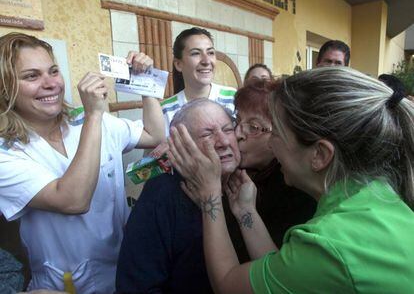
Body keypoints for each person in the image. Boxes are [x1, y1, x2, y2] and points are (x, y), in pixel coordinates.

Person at [168, 66, 414, 293]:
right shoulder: (377, 193)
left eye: (276, 131)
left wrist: (210, 194)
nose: (271, 143)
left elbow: (227, 284)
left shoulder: (329, 244)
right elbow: (281, 269)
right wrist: (246, 211)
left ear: (319, 154)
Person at [0, 33, 165, 293]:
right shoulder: (6, 152)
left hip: (127, 271)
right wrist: (94, 115)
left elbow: (154, 135)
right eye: (32, 76)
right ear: (5, 88)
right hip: (65, 285)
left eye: (53, 71)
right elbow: (73, 200)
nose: (50, 83)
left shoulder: (86, 121)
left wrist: (143, 84)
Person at [116, 99, 240, 293]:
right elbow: (138, 286)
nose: (223, 142)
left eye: (228, 130)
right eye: (207, 134)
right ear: (181, 145)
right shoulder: (161, 195)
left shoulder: (249, 180)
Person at [225, 80, 316, 262]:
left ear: (281, 134)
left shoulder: (296, 189)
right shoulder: (232, 173)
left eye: (254, 127)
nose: (238, 134)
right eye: (238, 121)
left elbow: (276, 275)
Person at [161, 27, 236, 135]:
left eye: (210, 53)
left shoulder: (233, 98)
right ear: (178, 64)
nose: (206, 61)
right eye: (195, 53)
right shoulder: (164, 110)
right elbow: (155, 152)